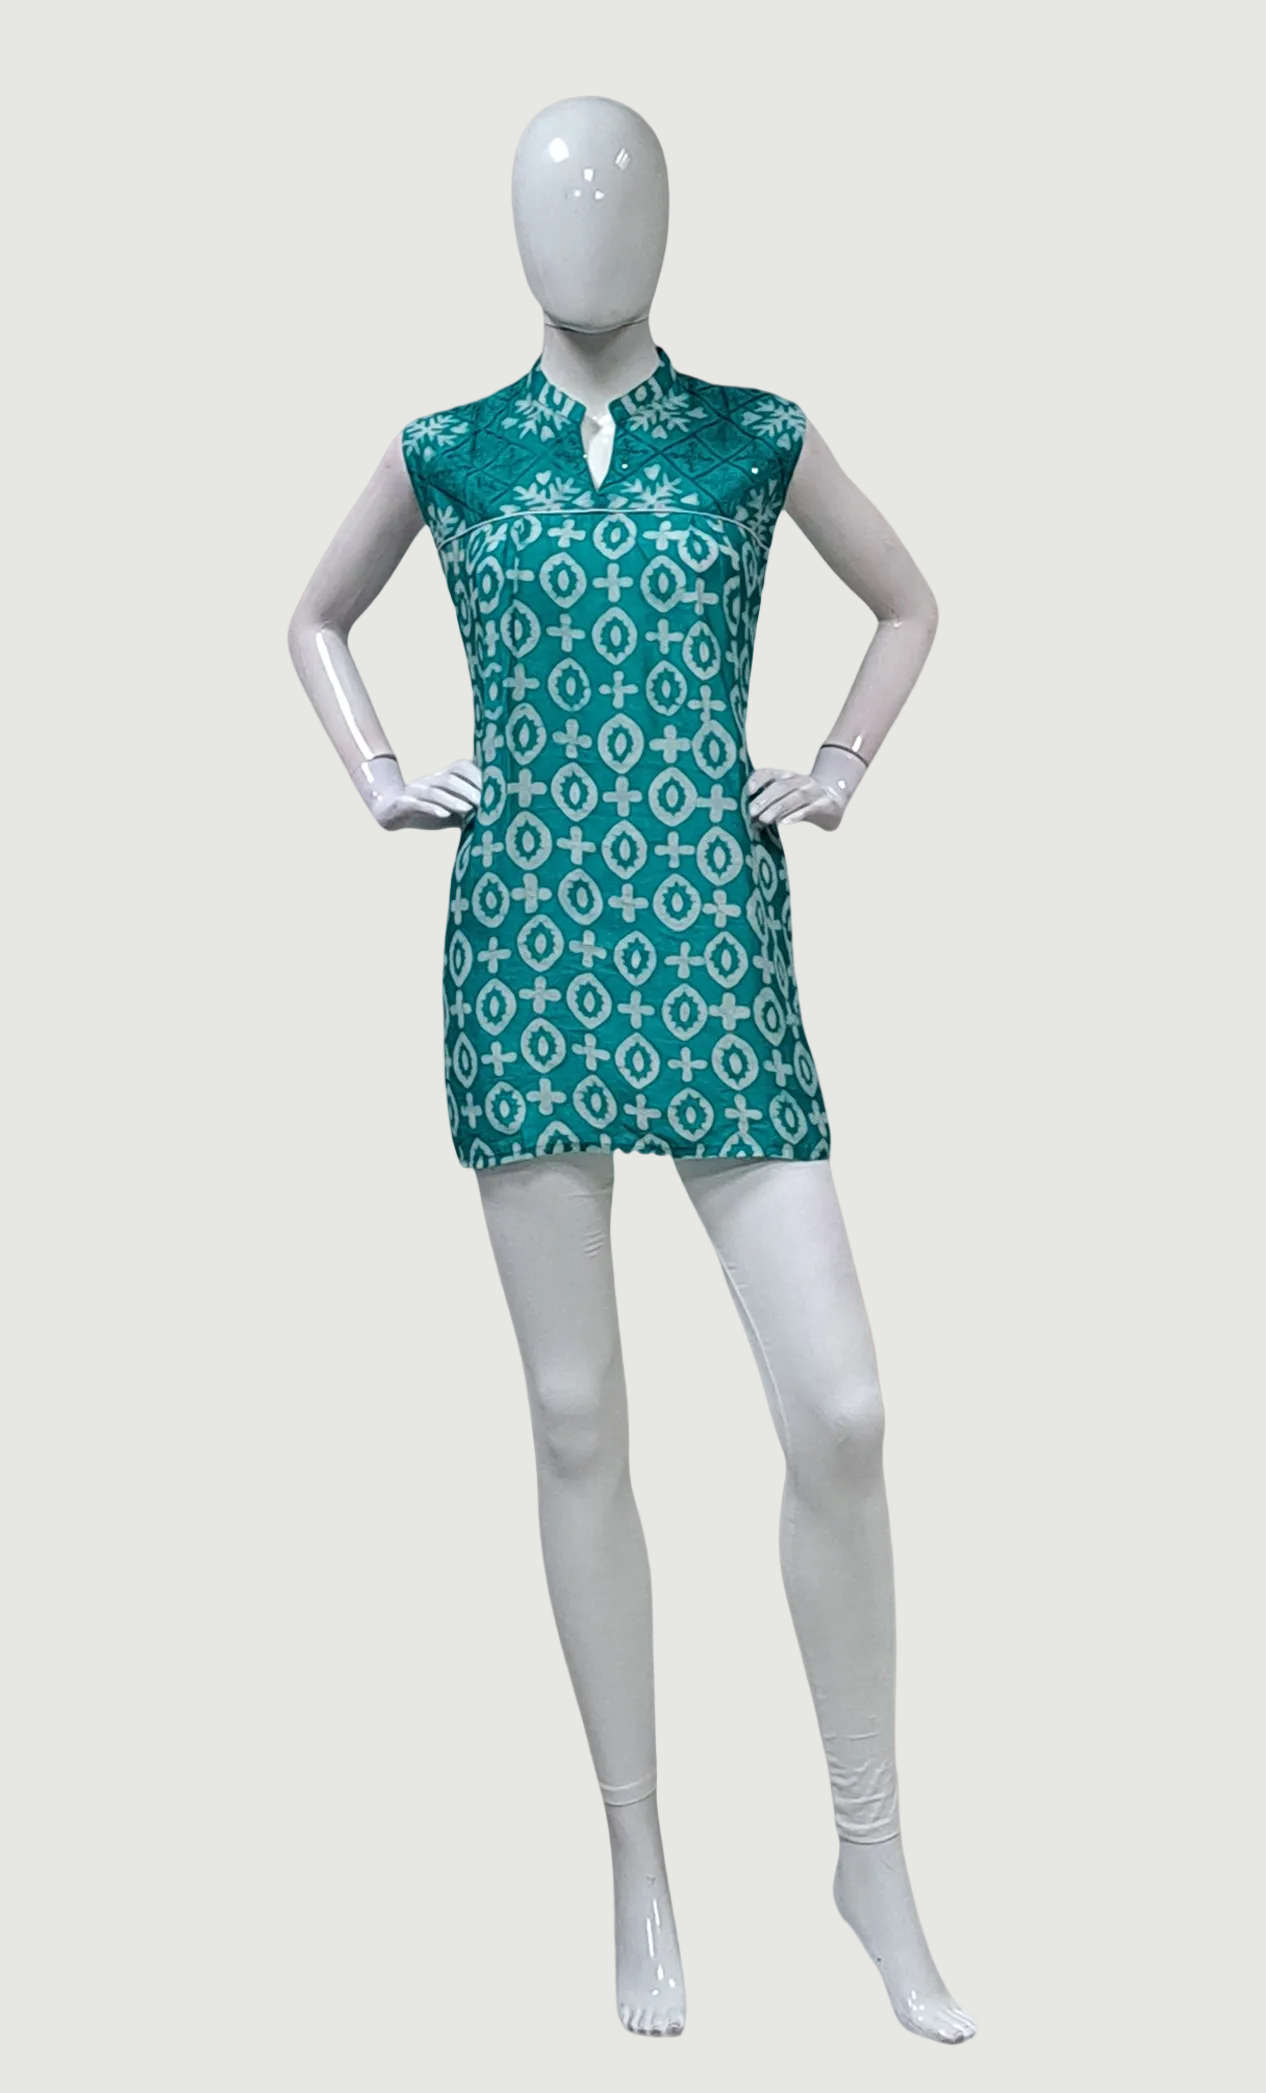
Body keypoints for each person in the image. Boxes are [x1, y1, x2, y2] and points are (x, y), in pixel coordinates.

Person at [287, 94, 972, 2044]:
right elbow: (312, 616)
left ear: (664, 224)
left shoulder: (752, 436)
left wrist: (837, 765)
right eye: (553, 201)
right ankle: (639, 1861)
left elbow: (909, 600)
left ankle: (868, 1849)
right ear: (514, 232)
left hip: (712, 942)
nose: (584, 230)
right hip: (525, 951)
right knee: (578, 1417)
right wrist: (374, 769)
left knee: (839, 1407)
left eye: (615, 200)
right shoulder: (451, 450)